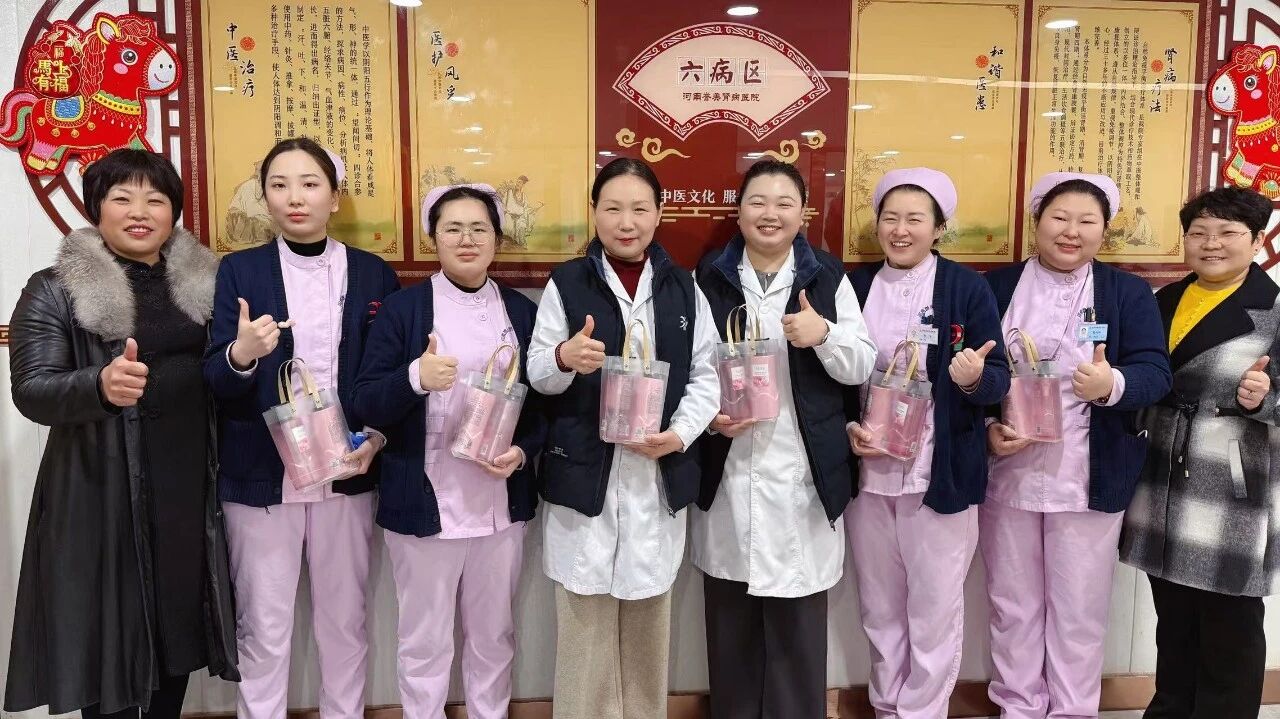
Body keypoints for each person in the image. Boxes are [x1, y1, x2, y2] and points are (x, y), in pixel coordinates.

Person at [5, 148, 238, 718]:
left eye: (155, 199)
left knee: (176, 634)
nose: (140, 212)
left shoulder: (208, 287)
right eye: (122, 198)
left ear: (174, 212)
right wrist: (99, 385)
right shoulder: (55, 288)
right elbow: (32, 389)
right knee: (106, 644)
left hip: (186, 487)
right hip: (100, 492)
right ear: (97, 208)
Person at [204, 137, 399, 719]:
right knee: (264, 626)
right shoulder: (239, 271)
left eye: (310, 184)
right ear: (264, 197)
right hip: (262, 477)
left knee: (345, 624)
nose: (295, 197)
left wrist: (377, 439)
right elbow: (216, 379)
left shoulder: (373, 274)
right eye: (280, 185)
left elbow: (387, 377)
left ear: (334, 198)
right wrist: (241, 354)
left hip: (348, 471)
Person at [527, 157, 719, 719]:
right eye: (612, 208)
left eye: (639, 209)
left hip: (656, 475)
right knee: (582, 634)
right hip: (584, 476)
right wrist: (564, 357)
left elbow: (707, 375)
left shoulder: (684, 287)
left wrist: (678, 435)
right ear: (594, 212)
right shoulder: (567, 282)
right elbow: (537, 371)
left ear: (659, 214)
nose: (626, 222)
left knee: (647, 637)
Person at [691, 159, 877, 718]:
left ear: (803, 214)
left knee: (798, 639)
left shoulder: (826, 276)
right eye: (757, 202)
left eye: (783, 203)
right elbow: (690, 368)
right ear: (738, 212)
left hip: (803, 475)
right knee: (731, 636)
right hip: (730, 468)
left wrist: (824, 334)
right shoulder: (709, 276)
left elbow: (861, 364)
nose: (769, 214)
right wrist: (710, 420)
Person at [983, 172, 1171, 719]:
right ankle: (1018, 707)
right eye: (1059, 217)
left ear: (1103, 231)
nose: (1071, 231)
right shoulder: (996, 287)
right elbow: (976, 369)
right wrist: (989, 425)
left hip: (1088, 476)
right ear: (1036, 222)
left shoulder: (1127, 293)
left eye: (1087, 221)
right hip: (1009, 471)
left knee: (1079, 611)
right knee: (1012, 606)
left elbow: (1156, 372)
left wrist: (1112, 384)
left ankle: (1072, 712)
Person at [352, 184, 544, 719]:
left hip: (499, 501)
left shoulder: (520, 312)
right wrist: (415, 376)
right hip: (424, 499)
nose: (466, 239)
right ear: (432, 238)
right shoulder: (403, 310)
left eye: (479, 228)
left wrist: (522, 452)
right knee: (424, 641)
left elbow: (541, 406)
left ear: (497, 239)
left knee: (494, 636)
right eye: (452, 228)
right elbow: (365, 399)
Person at [845, 167, 1010, 718]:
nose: (900, 230)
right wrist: (847, 428)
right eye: (890, 218)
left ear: (939, 228)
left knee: (934, 610)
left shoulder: (966, 288)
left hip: (937, 473)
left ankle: (921, 712)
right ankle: (886, 706)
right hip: (868, 474)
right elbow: (835, 375)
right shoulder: (855, 287)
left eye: (915, 219)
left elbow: (999, 377)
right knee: (879, 607)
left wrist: (973, 379)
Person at [1120, 186, 1280, 718]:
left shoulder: (1274, 310)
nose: (1211, 244)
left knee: (1230, 625)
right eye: (1199, 232)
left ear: (1256, 241)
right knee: (1174, 617)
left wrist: (1265, 400)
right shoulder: (1163, 300)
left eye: (1228, 232)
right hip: (1160, 476)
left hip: (1230, 489)